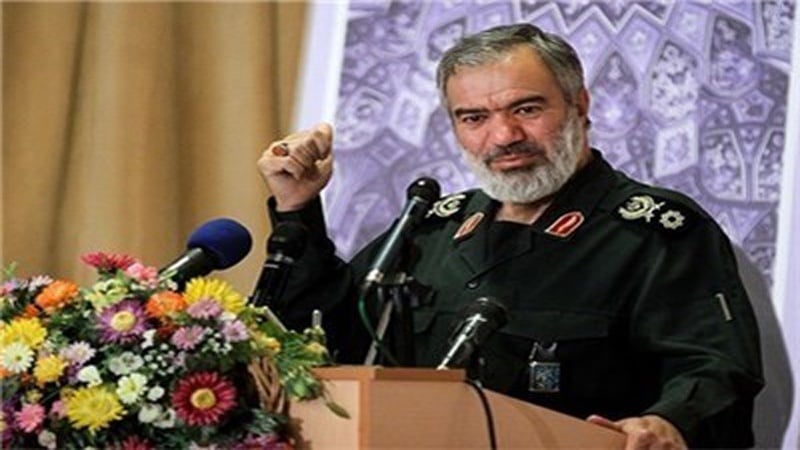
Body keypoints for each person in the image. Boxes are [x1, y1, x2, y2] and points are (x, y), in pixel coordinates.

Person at [257, 23, 763, 449]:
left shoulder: (655, 233)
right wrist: (298, 207)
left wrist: (668, 423)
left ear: (580, 104)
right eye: (474, 118)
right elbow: (327, 335)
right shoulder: (432, 228)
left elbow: (714, 370)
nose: (503, 137)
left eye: (526, 109)